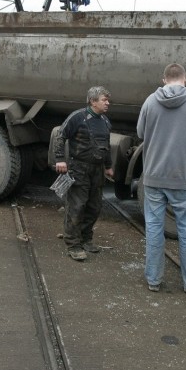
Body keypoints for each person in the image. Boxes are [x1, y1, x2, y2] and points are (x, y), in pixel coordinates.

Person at [137, 63, 186, 294]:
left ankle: (154, 280)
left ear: (164, 80)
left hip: (153, 177)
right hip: (183, 177)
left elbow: (141, 133)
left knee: (153, 228)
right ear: (185, 79)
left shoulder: (150, 102)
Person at [53, 86, 113, 261]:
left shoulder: (105, 121)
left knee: (94, 207)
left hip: (97, 170)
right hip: (79, 168)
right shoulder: (77, 117)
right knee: (77, 206)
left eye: (107, 100)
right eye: (104, 100)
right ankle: (73, 244)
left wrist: (108, 166)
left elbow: (106, 146)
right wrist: (60, 159)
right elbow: (60, 136)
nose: (107, 103)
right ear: (93, 101)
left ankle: (86, 239)